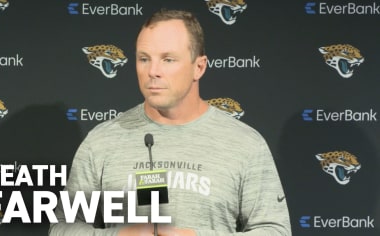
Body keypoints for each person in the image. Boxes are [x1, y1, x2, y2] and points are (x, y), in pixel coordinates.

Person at [49, 9, 291, 236]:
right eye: (144, 59)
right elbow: (62, 228)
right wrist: (118, 234)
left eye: (168, 60)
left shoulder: (245, 144)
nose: (153, 71)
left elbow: (275, 230)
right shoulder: (102, 141)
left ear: (199, 67)